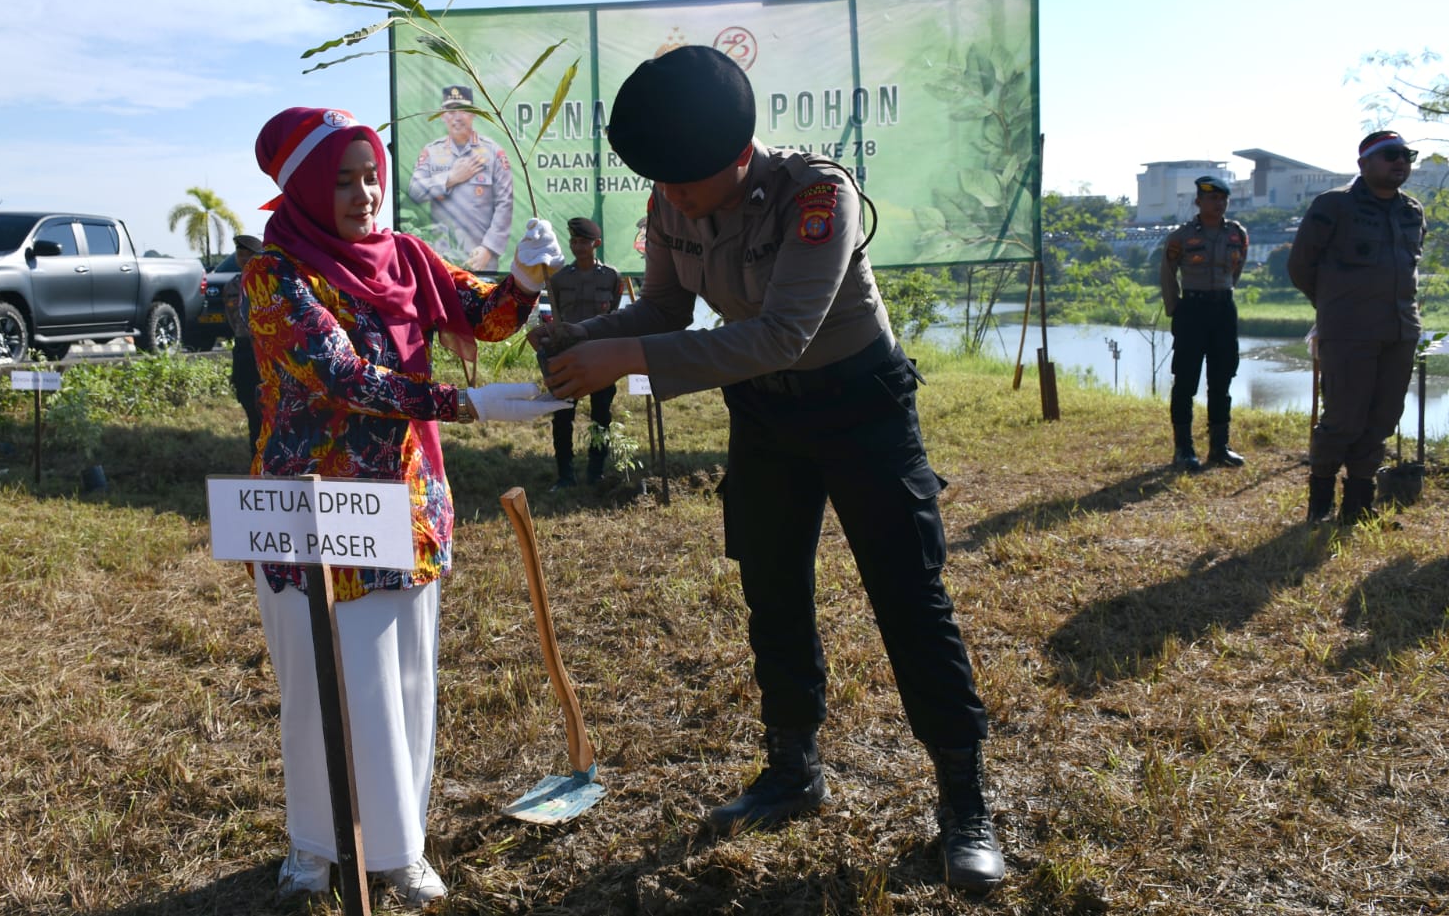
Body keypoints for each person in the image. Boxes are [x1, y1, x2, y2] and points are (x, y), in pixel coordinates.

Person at [529, 46, 1005, 895]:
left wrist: (627, 356)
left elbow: (783, 330)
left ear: (739, 156)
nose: (673, 201)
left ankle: (964, 800)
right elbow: (670, 306)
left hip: (860, 404)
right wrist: (587, 338)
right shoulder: (673, 186)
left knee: (908, 591)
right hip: (766, 412)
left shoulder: (819, 196)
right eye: (663, 187)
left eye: (686, 186)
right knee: (772, 584)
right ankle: (793, 766)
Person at [242, 106, 565, 908]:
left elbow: (480, 312)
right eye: (344, 180)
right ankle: (314, 847)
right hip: (308, 510)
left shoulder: (407, 257)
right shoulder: (277, 274)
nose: (365, 193)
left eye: (372, 175)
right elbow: (343, 376)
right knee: (321, 684)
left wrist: (524, 278)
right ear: (308, 188)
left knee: (404, 678)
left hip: (407, 503)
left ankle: (398, 846)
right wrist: (468, 405)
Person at [1288, 130, 1425, 524]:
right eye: (1390, 155)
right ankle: (1320, 501)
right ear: (1363, 163)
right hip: (1348, 330)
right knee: (1343, 418)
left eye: (1407, 155)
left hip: (1400, 331)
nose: (1401, 161)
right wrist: (1334, 309)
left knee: (1382, 418)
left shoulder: (1412, 211)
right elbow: (1300, 266)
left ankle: (1358, 504)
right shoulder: (1334, 205)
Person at [1159, 175, 1249, 471]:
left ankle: (1219, 446)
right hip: (1192, 310)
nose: (1219, 204)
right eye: (1212, 198)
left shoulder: (1237, 234)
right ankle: (1183, 448)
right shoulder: (1181, 237)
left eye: (1223, 199)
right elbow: (1168, 273)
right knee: (1185, 380)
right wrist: (1176, 309)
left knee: (1222, 379)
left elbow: (1237, 269)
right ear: (1198, 202)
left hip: (1223, 309)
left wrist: (1223, 293)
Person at [546, 217, 623, 487]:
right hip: (568, 356)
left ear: (596, 244)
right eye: (574, 241)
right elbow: (554, 317)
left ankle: (595, 472)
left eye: (584, 242)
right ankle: (565, 475)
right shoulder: (560, 279)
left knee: (601, 415)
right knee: (562, 415)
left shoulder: (612, 277)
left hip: (601, 357)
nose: (578, 247)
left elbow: (614, 317)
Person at [406, 85, 515, 272]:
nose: (456, 117)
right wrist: (450, 178)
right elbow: (414, 191)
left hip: (480, 259)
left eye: (463, 110)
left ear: (474, 114)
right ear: (442, 115)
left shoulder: (493, 152)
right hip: (441, 260)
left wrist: (488, 250)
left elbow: (505, 204)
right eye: (450, 110)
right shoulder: (431, 152)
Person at [220, 232, 264, 459]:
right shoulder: (232, 286)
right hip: (244, 351)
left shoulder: (269, 283)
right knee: (250, 408)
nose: (244, 258)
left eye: (249, 254)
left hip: (266, 352)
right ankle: (255, 461)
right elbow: (232, 319)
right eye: (240, 254)